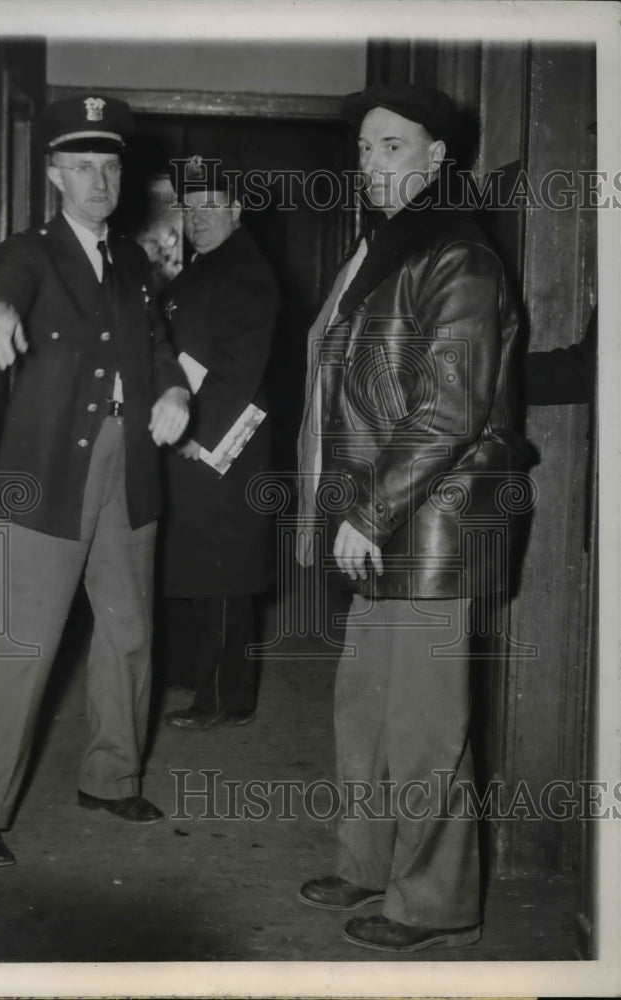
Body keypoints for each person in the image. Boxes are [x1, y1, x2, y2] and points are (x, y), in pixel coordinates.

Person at [296, 83, 533, 951]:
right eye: (364, 148)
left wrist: (369, 510)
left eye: (391, 147)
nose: (370, 164)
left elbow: (447, 409)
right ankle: (365, 863)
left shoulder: (457, 256)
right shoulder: (388, 249)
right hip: (386, 526)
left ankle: (432, 903)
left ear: (437, 158)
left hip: (431, 531)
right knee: (364, 708)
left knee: (427, 728)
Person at [0, 95, 190, 867]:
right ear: (54, 176)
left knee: (128, 633)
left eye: (109, 167)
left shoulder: (132, 263)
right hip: (48, 473)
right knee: (20, 641)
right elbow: (0, 288)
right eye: (81, 167)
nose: (98, 181)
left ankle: (111, 778)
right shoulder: (33, 249)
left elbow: (155, 345)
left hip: (131, 467)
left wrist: (176, 391)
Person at [159, 155, 278, 729]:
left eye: (212, 206)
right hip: (197, 441)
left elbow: (240, 368)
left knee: (225, 573)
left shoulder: (244, 269)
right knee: (200, 567)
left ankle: (225, 700)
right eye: (191, 206)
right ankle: (197, 677)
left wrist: (196, 434)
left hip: (226, 442)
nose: (199, 217)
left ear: (237, 208)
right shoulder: (204, 266)